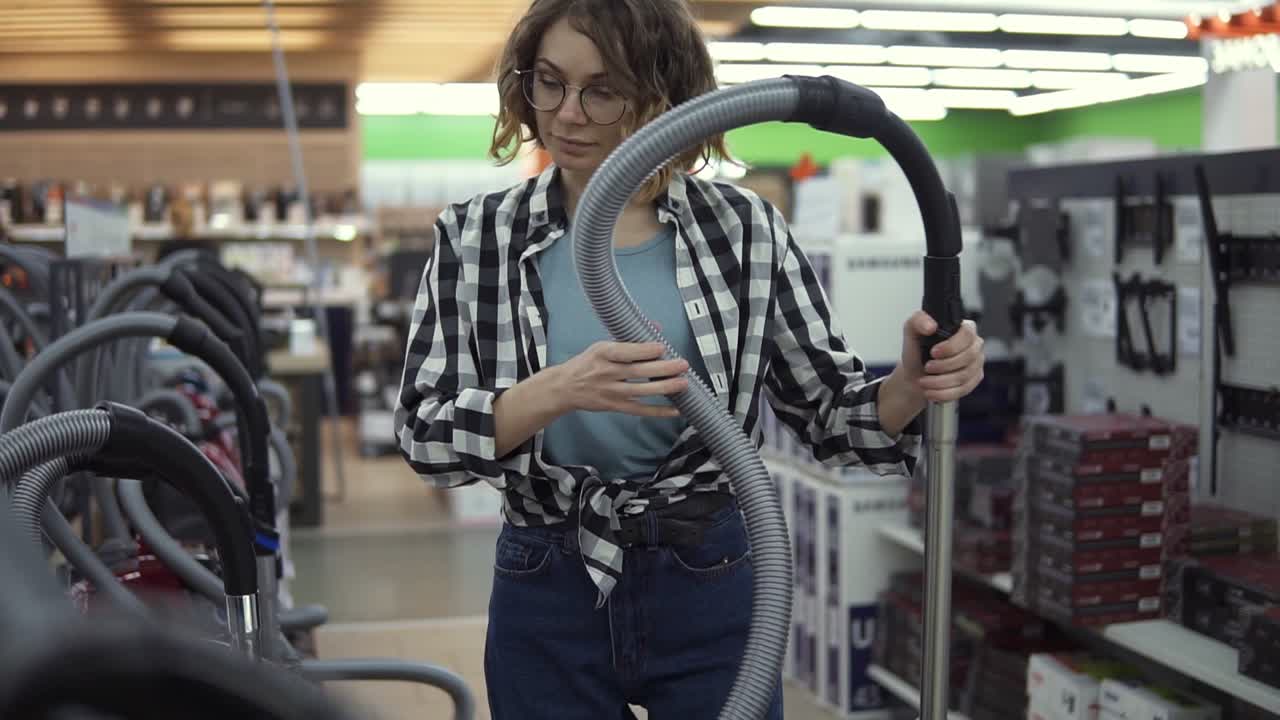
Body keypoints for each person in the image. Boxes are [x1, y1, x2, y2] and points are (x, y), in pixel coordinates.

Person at [394, 1, 987, 717]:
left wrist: (911, 384)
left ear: (664, 97)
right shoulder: (476, 236)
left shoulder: (743, 229)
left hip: (708, 568)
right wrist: (556, 390)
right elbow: (425, 437)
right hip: (548, 573)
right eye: (549, 82)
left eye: (603, 91)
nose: (568, 114)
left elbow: (832, 416)